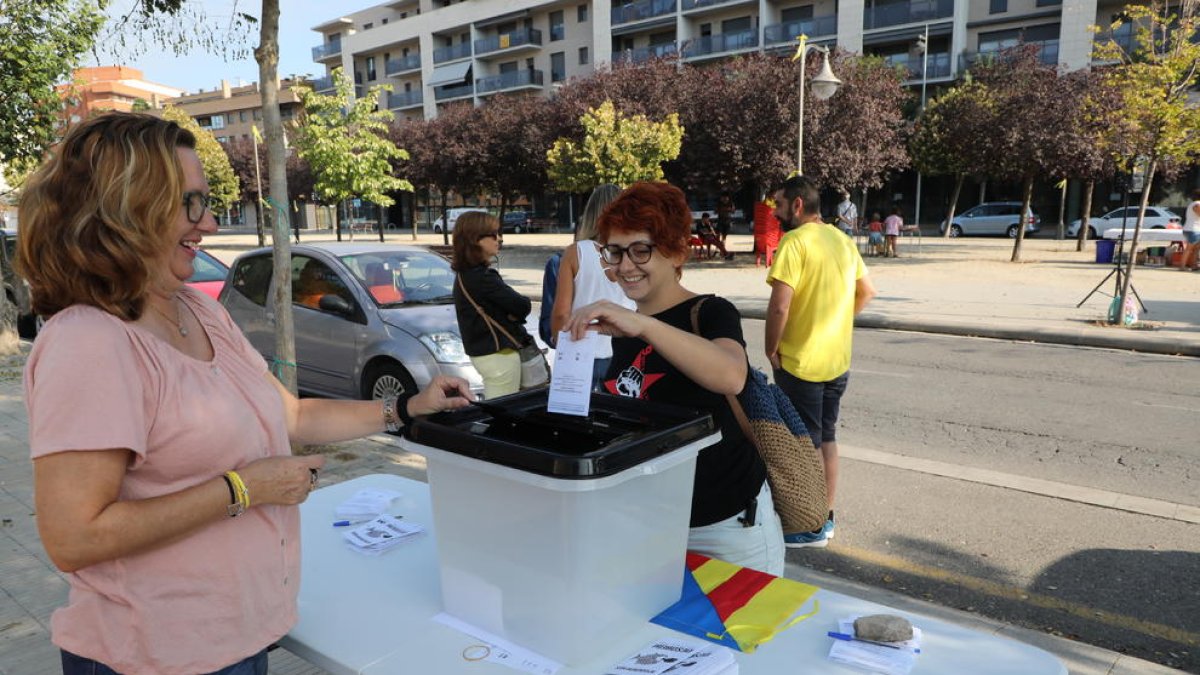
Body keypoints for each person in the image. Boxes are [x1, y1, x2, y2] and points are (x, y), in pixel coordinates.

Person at [17, 112, 474, 675]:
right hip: (154, 655)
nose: (208, 223)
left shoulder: (200, 310)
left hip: (238, 639)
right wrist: (243, 489)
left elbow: (294, 414)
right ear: (124, 209)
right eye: (190, 203)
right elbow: (73, 537)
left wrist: (404, 408)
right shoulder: (89, 341)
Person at [563, 181, 784, 576]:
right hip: (654, 527)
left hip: (727, 526)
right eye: (615, 251)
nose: (625, 266)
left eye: (641, 250)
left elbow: (731, 375)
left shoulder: (710, 312)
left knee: (745, 636)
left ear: (676, 252)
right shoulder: (625, 328)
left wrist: (643, 325)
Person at [766, 174, 876, 549]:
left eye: (779, 204)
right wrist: (838, 322)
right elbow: (867, 292)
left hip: (802, 361)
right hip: (837, 360)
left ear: (797, 205)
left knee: (804, 442)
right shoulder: (842, 240)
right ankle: (826, 516)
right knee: (827, 438)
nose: (776, 211)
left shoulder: (794, 242)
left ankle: (809, 526)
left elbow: (780, 304)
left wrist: (770, 347)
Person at [550, 184, 633, 390]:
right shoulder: (635, 253)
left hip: (579, 352)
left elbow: (561, 314)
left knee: (573, 418)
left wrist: (559, 342)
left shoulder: (576, 253)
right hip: (624, 352)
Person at [452, 211, 533, 399]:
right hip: (499, 356)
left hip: (485, 353)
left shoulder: (465, 275)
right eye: (493, 234)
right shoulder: (483, 278)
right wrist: (512, 313)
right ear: (475, 239)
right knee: (504, 412)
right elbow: (522, 306)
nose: (499, 238)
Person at [1181, 189, 1200, 270]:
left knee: (1196, 248)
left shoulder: (1193, 204)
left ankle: (1194, 265)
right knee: (1189, 249)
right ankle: (1182, 266)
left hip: (1193, 229)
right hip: (1193, 229)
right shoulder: (1197, 204)